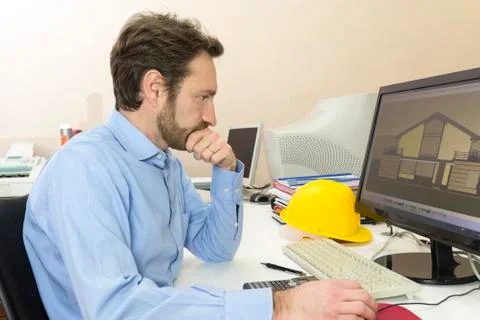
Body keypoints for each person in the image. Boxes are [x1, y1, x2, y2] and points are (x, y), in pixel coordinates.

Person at [23, 12, 377, 320]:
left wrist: (225, 170)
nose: (211, 116)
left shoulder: (164, 164)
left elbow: (215, 248)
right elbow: (117, 310)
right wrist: (280, 307)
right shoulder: (84, 170)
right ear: (155, 89)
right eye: (203, 97)